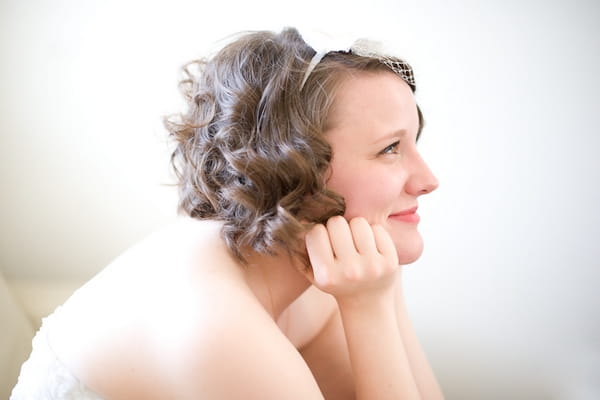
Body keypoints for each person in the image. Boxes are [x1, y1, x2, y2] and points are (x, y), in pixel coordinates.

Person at [11, 27, 443, 399]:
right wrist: (371, 308)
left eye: (413, 144)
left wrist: (380, 296)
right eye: (390, 149)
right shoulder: (217, 324)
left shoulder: (311, 269)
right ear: (292, 165)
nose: (427, 179)